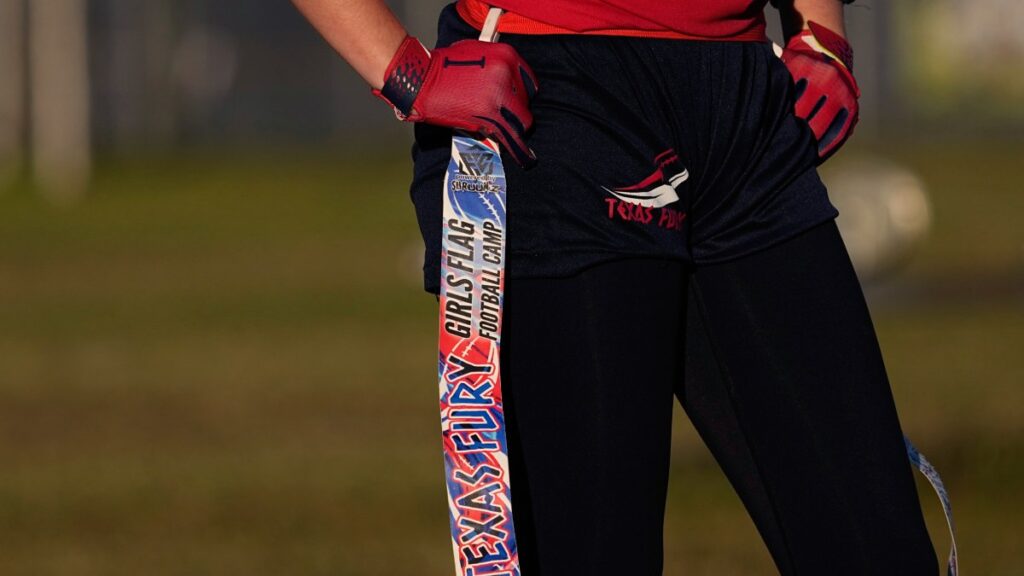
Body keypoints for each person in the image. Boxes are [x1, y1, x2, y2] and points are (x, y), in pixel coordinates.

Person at [291, 0, 941, 573]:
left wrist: (822, 27)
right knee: (598, 547)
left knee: (878, 544)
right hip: (553, 102)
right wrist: (403, 69)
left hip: (746, 106)